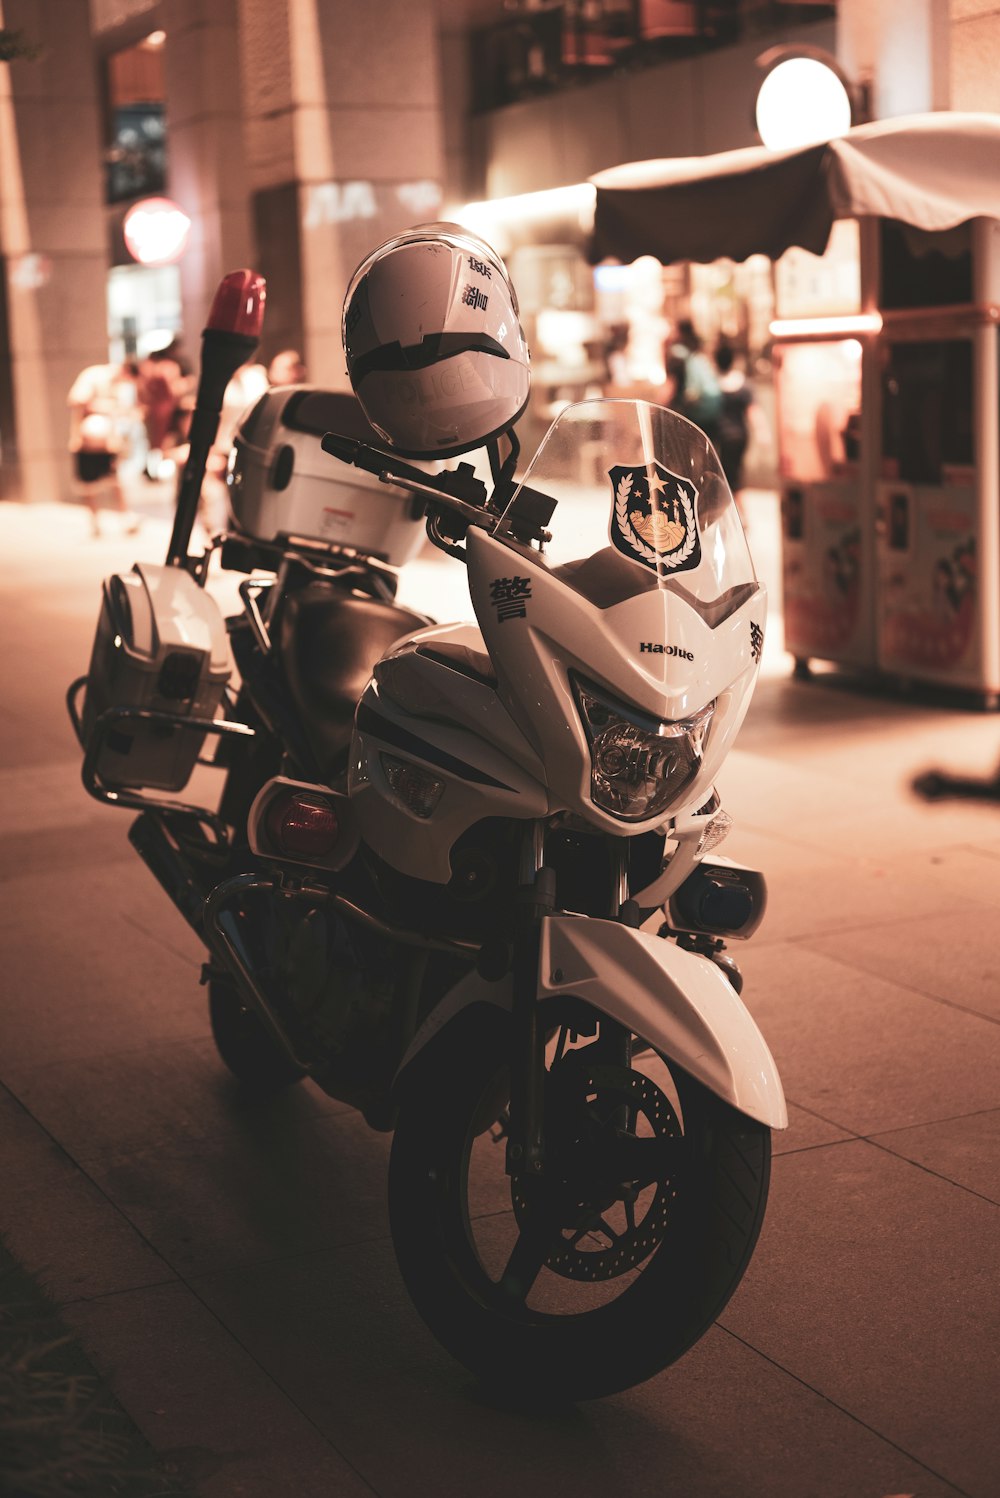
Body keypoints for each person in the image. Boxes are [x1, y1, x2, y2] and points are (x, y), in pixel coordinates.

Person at [67, 361, 142, 536]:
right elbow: (77, 402)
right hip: (89, 438)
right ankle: (94, 522)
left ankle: (125, 518)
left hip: (108, 438)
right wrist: (76, 435)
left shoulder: (117, 387)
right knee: (88, 483)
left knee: (114, 479)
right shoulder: (94, 376)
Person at [665, 318, 722, 447]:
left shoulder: (676, 352)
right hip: (711, 406)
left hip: (690, 409)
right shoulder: (698, 348)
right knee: (705, 448)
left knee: (684, 449)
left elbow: (671, 384)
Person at [715, 342, 756, 506]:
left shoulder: (714, 384)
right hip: (741, 436)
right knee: (736, 473)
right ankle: (738, 514)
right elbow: (752, 411)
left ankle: (740, 516)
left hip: (723, 437)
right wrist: (761, 432)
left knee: (730, 477)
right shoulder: (743, 384)